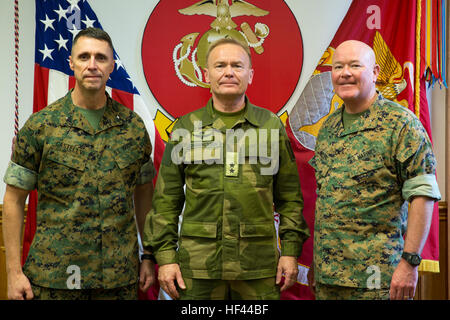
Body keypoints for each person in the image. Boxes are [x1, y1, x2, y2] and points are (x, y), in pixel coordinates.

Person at [143, 38, 309, 300]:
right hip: (198, 270)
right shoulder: (186, 127)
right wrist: (165, 258)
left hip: (258, 268)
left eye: (237, 65)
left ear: (250, 74)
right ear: (206, 75)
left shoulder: (271, 126)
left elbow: (289, 199)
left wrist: (289, 252)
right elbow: (166, 201)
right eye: (220, 65)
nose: (229, 72)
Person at [3, 27, 156, 300]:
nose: (92, 65)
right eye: (84, 57)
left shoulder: (133, 128)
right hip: (55, 279)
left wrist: (148, 256)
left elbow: (144, 194)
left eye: (101, 58)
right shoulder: (41, 126)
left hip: (118, 278)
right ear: (71, 63)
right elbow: (14, 201)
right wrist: (14, 273)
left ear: (112, 66)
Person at [308, 40, 441, 300]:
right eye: (338, 67)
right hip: (329, 278)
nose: (345, 73)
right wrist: (318, 262)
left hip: (379, 278)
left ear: (375, 72)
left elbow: (423, 195)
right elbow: (327, 200)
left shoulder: (401, 125)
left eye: (355, 65)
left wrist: (410, 262)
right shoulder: (328, 129)